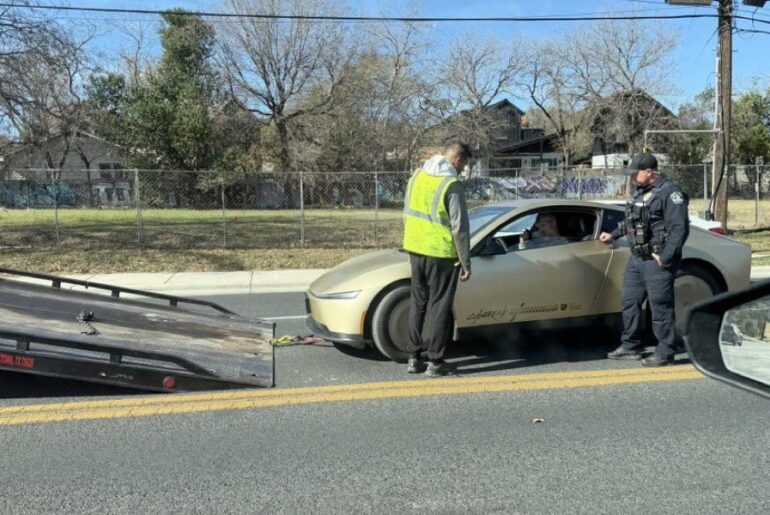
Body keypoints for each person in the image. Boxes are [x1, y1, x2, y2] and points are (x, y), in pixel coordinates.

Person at [599, 152, 690, 366]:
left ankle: (665, 352)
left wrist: (666, 257)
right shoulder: (641, 192)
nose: (631, 177)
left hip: (657, 259)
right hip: (638, 258)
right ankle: (630, 345)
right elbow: (631, 222)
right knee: (630, 301)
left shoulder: (670, 193)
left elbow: (680, 230)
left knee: (660, 306)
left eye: (635, 173)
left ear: (649, 172)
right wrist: (613, 234)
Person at [402, 141, 473, 377]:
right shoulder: (451, 184)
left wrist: (412, 241)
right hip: (441, 253)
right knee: (439, 307)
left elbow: (406, 213)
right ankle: (435, 361)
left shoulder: (417, 177)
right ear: (458, 160)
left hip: (416, 249)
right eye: (464, 165)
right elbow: (459, 227)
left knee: (418, 302)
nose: (463, 170)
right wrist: (465, 261)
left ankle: (413, 357)